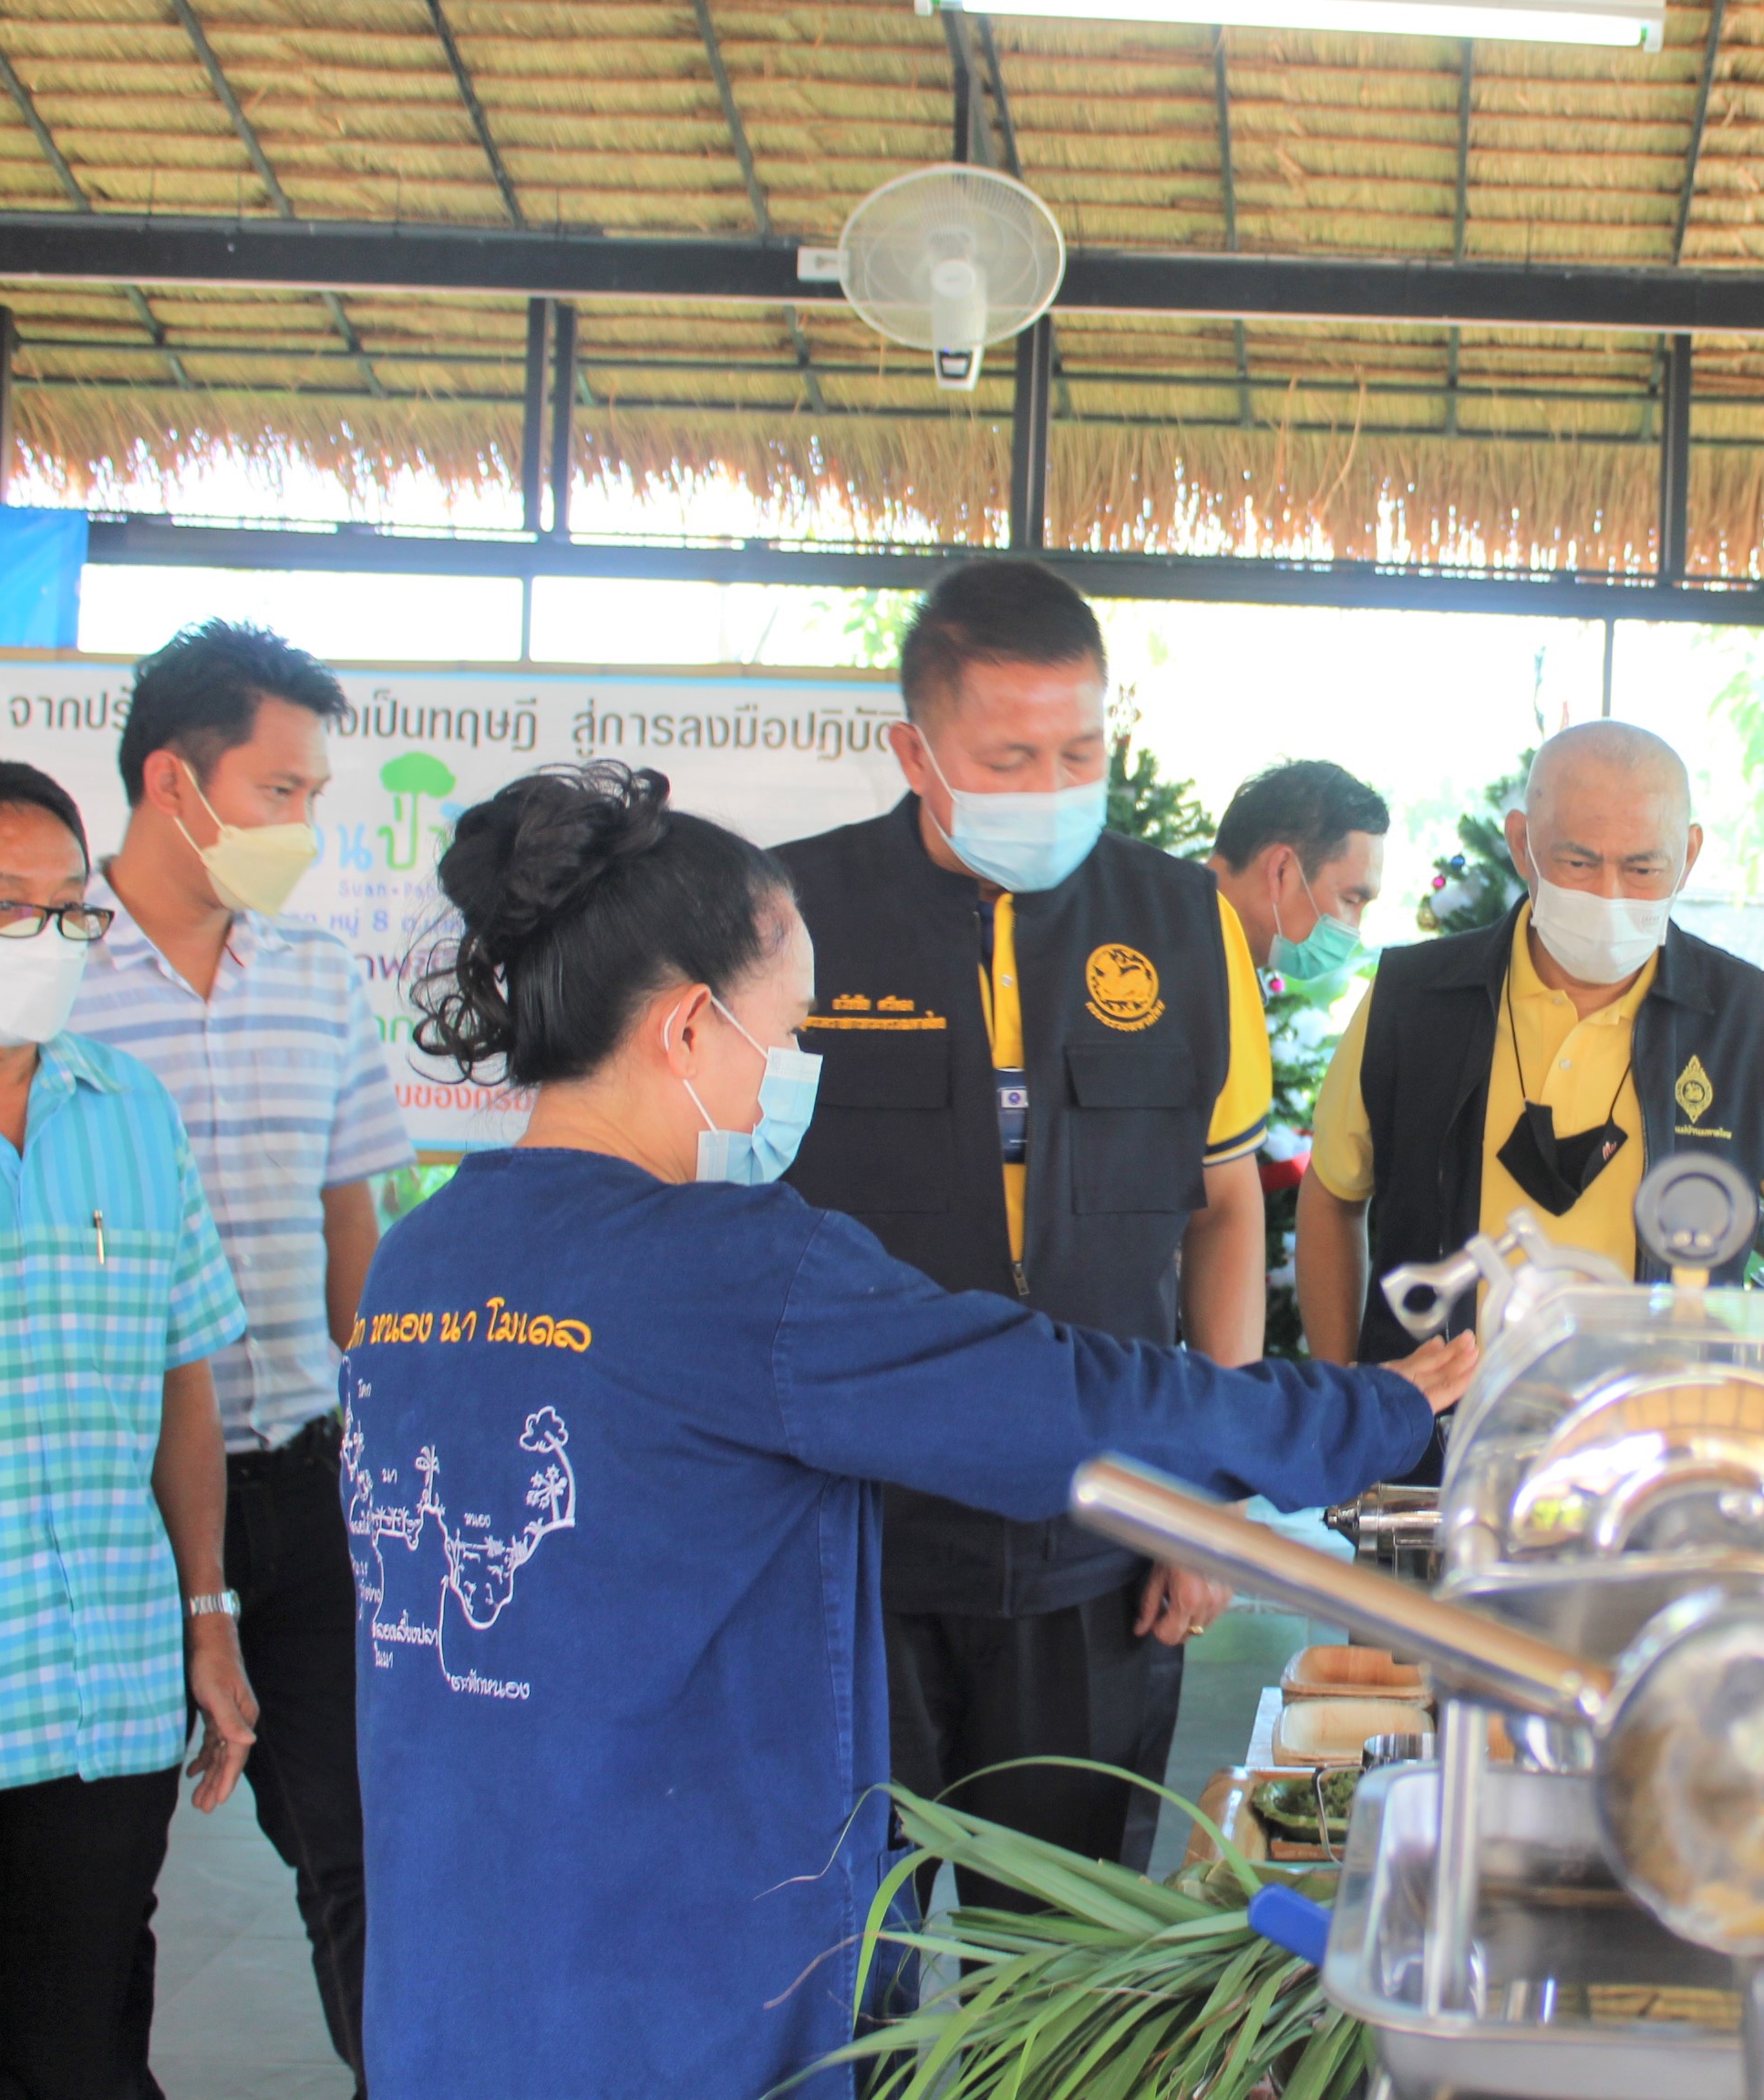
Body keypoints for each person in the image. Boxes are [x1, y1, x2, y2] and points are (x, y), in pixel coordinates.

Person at [346, 762, 1468, 2098]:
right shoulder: (740, 1273)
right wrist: (1375, 1407)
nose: (800, 1066)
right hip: (684, 1981)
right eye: (794, 1027)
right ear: (691, 1028)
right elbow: (1071, 1402)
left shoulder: (422, 1260)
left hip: (459, 1955)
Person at [778, 560, 1269, 1874]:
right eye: (1009, 757)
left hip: (1099, 1537)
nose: (1052, 787)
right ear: (916, 749)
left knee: (1057, 1970)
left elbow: (1223, 1211)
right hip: (851, 1541)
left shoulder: (1181, 923)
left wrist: (1207, 1502)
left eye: (1080, 750)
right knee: (843, 1964)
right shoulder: (790, 916)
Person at [70, 621, 411, 2090]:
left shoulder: (323, 982)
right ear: (174, 781)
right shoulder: (45, 983)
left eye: (316, 795)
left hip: (311, 1491)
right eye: (282, 791)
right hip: (105, 1513)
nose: (306, 826)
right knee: (84, 1903)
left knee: (370, 1864)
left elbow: (361, 1250)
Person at [0, 758, 256, 2097]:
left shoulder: (128, 1108)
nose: (49, 941)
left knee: (71, 2057)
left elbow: (183, 1375)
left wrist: (208, 1616)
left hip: (94, 1689)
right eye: (7, 907)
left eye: (73, 910)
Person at [1299, 720, 1764, 1365]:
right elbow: (1331, 1195)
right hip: (1432, 1450)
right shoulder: (1412, 1003)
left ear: (1688, 858)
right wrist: (1346, 1407)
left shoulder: (1746, 1026)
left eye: (1643, 868)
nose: (1609, 895)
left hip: (1652, 1455)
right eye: (1579, 862)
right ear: (1523, 844)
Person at [1205, 759, 1388, 980]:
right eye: (1350, 900)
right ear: (1281, 871)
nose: (1354, 930)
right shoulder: (1164, 964)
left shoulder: (1229, 974)